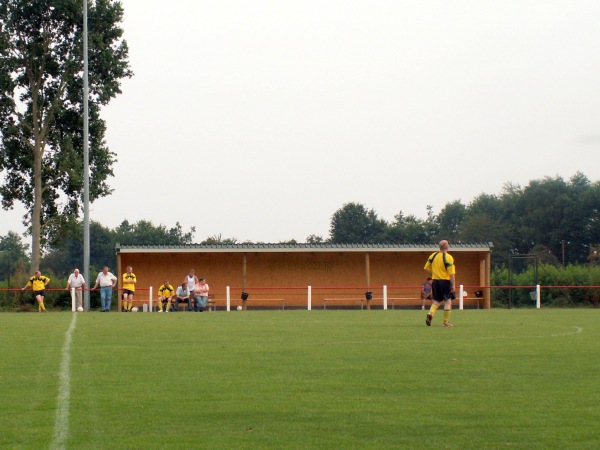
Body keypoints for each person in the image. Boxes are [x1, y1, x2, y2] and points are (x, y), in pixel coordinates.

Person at [424, 240, 456, 327]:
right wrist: (453, 285)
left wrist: (433, 274)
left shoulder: (433, 255)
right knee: (448, 301)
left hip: (435, 282)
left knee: (437, 301)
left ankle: (430, 314)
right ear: (447, 247)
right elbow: (451, 274)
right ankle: (445, 322)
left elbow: (426, 268)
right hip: (445, 282)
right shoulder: (448, 257)